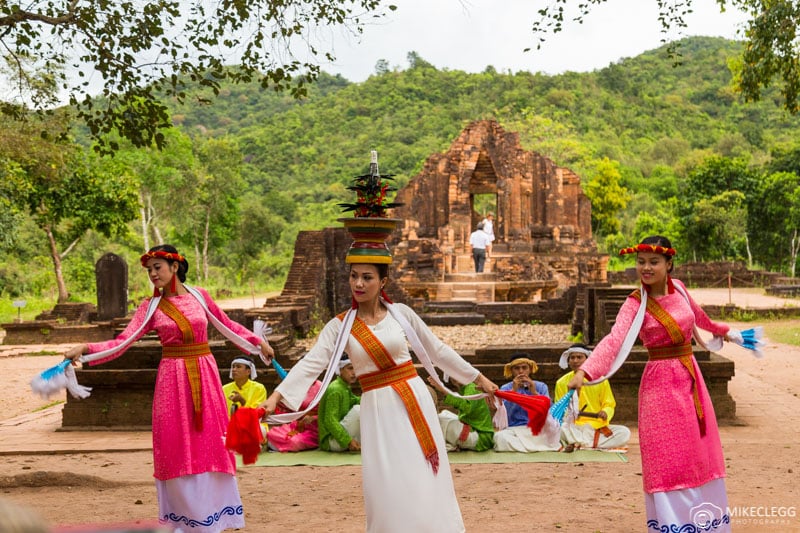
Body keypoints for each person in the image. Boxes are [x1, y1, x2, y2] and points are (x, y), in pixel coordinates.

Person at [258, 196, 499, 532]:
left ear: (383, 281)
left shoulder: (403, 315)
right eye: (354, 276)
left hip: (414, 399)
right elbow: (312, 363)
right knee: (387, 484)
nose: (358, 284)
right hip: (377, 408)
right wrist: (276, 398)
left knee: (423, 475)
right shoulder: (340, 325)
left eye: (367, 277)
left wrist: (481, 380)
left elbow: (438, 351)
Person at [65, 244, 274, 533]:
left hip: (205, 374)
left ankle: (213, 515)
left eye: (158, 267)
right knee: (176, 443)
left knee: (209, 441)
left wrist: (258, 343)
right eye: (149, 269)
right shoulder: (150, 307)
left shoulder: (201, 296)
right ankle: (187, 519)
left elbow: (227, 326)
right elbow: (123, 341)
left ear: (175, 267)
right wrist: (86, 349)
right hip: (172, 380)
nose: (152, 274)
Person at [567, 235, 738, 531]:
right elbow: (614, 340)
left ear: (669, 264)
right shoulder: (635, 304)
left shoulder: (680, 290)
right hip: (659, 386)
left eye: (654, 262)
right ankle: (673, 525)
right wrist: (587, 371)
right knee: (667, 460)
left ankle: (707, 524)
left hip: (690, 380)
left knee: (699, 455)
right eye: (641, 262)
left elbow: (700, 318)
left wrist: (725, 332)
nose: (646, 268)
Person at [554, 344, 631, 451]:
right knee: (557, 429)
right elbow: (560, 408)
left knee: (624, 432)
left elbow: (609, 404)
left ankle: (577, 443)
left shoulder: (600, 380)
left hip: (595, 426)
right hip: (572, 426)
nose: (575, 361)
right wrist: (571, 414)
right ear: (568, 360)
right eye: (572, 358)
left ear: (587, 360)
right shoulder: (561, 382)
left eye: (579, 357)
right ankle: (588, 443)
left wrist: (605, 412)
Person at [493, 352, 560, 452]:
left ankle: (524, 448)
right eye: (516, 368)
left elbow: (549, 412)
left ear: (530, 369)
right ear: (511, 371)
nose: (521, 371)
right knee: (500, 437)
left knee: (558, 432)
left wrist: (534, 393)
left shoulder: (541, 386)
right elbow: (504, 415)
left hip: (537, 429)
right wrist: (513, 392)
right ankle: (535, 448)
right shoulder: (506, 388)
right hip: (514, 430)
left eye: (524, 368)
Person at [428, 376, 495, 452]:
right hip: (475, 431)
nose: (455, 377)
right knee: (444, 414)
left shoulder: (472, 387)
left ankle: (440, 446)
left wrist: (443, 390)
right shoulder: (465, 388)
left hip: (481, 437)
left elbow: (467, 407)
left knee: (441, 420)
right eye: (452, 375)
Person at [318, 356, 361, 452]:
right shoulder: (335, 389)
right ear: (340, 370)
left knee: (367, 407)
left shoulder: (345, 387)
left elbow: (356, 401)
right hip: (331, 441)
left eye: (355, 368)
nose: (354, 372)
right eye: (350, 368)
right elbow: (330, 421)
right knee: (359, 410)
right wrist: (348, 441)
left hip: (340, 438)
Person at [266, 380, 323, 452]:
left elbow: (326, 412)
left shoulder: (321, 387)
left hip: (315, 428)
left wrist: (313, 418)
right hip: (298, 424)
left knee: (294, 441)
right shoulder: (298, 385)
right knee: (271, 433)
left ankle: (282, 445)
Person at [223, 355, 268, 438]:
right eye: (233, 367)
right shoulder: (224, 389)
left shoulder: (259, 388)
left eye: (238, 367)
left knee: (260, 429)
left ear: (248, 372)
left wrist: (242, 401)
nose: (234, 369)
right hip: (229, 426)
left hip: (252, 425)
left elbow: (256, 414)